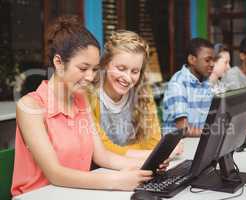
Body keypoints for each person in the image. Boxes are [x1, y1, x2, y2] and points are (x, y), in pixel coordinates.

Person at [11, 16, 166, 196]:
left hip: (75, 194)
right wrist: (116, 181)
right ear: (59, 62)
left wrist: (150, 164)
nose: (91, 77)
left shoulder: (81, 99)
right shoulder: (30, 107)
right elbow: (55, 174)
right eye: (83, 69)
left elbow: (103, 157)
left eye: (94, 69)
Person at [88, 30, 182, 159]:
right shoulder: (89, 94)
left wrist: (152, 151)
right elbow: (101, 148)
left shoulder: (142, 92)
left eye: (135, 71)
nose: (127, 77)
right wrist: (151, 154)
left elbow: (152, 142)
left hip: (133, 166)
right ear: (105, 64)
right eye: (121, 68)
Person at [162, 38, 214, 137]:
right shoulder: (178, 84)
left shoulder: (206, 82)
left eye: (213, 60)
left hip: (197, 142)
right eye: (207, 60)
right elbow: (183, 129)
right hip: (179, 147)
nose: (212, 64)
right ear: (192, 60)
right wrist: (217, 134)